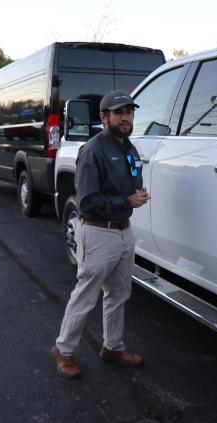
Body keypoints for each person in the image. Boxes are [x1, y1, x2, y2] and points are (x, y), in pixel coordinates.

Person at [52, 90, 150, 379]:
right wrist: (126, 201)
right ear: (104, 117)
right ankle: (64, 350)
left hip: (123, 232)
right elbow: (87, 202)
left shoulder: (128, 147)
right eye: (119, 112)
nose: (126, 117)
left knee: (119, 294)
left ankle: (113, 347)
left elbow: (130, 182)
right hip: (97, 233)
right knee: (85, 295)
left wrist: (136, 194)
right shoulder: (93, 150)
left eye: (129, 112)